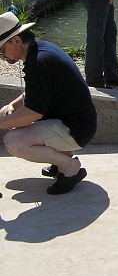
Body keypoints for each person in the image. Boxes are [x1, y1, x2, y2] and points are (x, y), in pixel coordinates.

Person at [0, 12, 97, 195]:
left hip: (76, 129)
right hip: (74, 121)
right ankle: (60, 158)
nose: (2, 55)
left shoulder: (38, 63)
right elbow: (34, 93)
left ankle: (69, 167)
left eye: (2, 49)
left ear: (17, 41)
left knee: (13, 141)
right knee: (5, 112)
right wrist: (13, 106)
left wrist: (4, 123)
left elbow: (33, 113)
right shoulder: (40, 51)